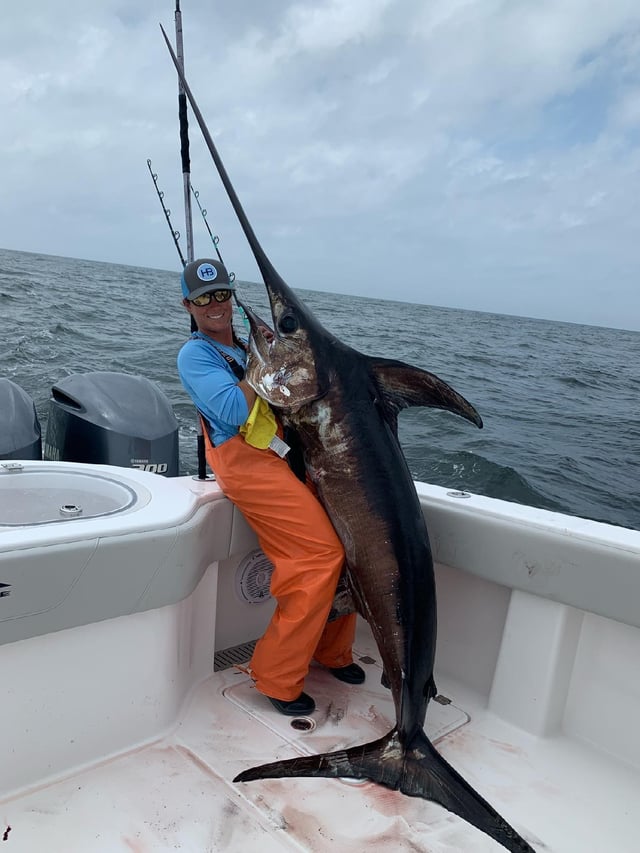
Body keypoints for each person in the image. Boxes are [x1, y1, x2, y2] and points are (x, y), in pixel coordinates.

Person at [177, 258, 364, 716]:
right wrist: (267, 371)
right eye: (203, 298)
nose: (214, 304)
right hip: (246, 466)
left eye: (221, 293)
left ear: (231, 295)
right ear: (188, 305)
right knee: (317, 556)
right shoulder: (195, 355)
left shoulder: (245, 347)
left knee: (350, 538)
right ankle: (277, 677)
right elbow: (234, 412)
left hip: (284, 455)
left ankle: (332, 650)